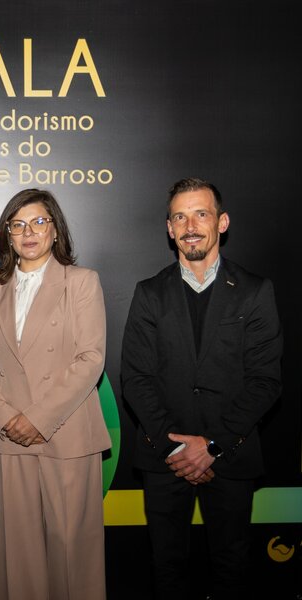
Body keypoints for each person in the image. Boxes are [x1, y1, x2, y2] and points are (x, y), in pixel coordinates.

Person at [121, 177, 282, 599]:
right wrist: (177, 448)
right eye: (180, 217)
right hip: (164, 458)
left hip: (230, 454)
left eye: (201, 214)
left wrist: (212, 445)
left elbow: (265, 380)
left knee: (232, 569)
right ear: (169, 228)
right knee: (166, 569)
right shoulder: (149, 293)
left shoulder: (255, 291)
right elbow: (136, 378)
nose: (190, 226)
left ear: (221, 222)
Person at [0, 188, 110, 600]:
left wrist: (37, 418)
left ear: (55, 230)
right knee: (17, 552)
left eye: (38, 222)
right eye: (18, 225)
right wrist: (6, 418)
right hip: (8, 435)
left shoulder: (81, 282)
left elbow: (91, 359)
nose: (29, 232)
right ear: (7, 235)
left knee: (73, 551)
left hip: (67, 431)